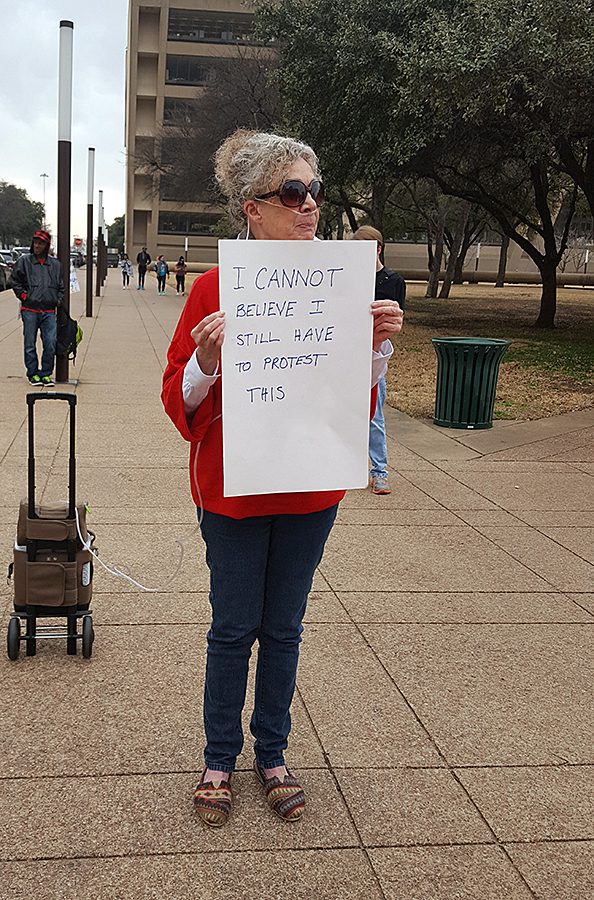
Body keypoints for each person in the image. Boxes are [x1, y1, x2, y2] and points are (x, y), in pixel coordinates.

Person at [161, 130, 403, 828]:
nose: (309, 207)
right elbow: (180, 398)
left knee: (286, 627)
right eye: (292, 193)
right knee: (234, 629)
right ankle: (218, 757)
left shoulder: (342, 285)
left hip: (308, 487)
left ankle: (273, 753)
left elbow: (348, 397)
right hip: (234, 490)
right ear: (252, 209)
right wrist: (206, 360)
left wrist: (378, 346)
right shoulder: (211, 288)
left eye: (314, 193)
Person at [353, 225, 406, 495]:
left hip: (374, 355)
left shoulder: (393, 281)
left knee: (374, 415)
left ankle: (379, 471)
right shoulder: (350, 277)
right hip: (348, 354)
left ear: (378, 249)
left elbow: (396, 320)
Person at [11, 229, 64, 386]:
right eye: (35, 242)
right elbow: (15, 281)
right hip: (30, 310)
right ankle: (33, 373)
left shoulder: (55, 265)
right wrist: (23, 296)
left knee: (50, 343)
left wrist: (58, 300)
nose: (37, 246)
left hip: (49, 311)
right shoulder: (24, 261)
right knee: (29, 343)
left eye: (41, 243)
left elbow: (61, 286)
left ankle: (46, 373)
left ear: (46, 245)